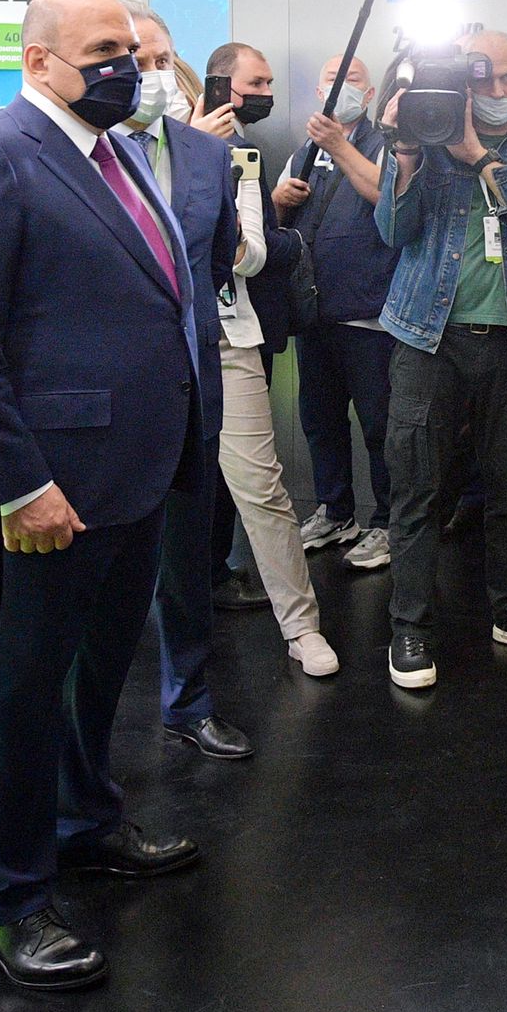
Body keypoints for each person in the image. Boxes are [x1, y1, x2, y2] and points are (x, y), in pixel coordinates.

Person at [0, 0, 210, 991]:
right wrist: (18, 481)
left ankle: (84, 821)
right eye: (105, 51)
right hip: (48, 490)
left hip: (133, 477)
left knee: (94, 675)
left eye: (134, 48)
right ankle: (5, 899)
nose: (130, 67)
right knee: (13, 693)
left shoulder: (113, 152)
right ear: (38, 61)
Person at [375, 31, 507, 689]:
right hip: (427, 337)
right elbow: (392, 230)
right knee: (417, 487)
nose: (496, 90)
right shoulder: (421, 137)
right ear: (461, 78)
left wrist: (478, 156)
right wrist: (407, 150)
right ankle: (410, 626)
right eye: (482, 77)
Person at [185, 41, 341, 675]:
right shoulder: (116, 157)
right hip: (150, 343)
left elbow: (247, 254)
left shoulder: (233, 159)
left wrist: (208, 170)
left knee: (261, 487)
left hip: (229, 335)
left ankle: (302, 627)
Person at [274, 56, 397, 571]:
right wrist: (279, 199)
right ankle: (335, 510)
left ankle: (388, 522)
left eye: (352, 80)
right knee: (319, 419)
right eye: (331, 80)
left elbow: (388, 198)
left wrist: (339, 146)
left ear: (368, 96)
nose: (341, 87)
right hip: (314, 313)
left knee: (380, 423)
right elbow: (272, 221)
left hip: (368, 314)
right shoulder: (303, 152)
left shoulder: (385, 144)